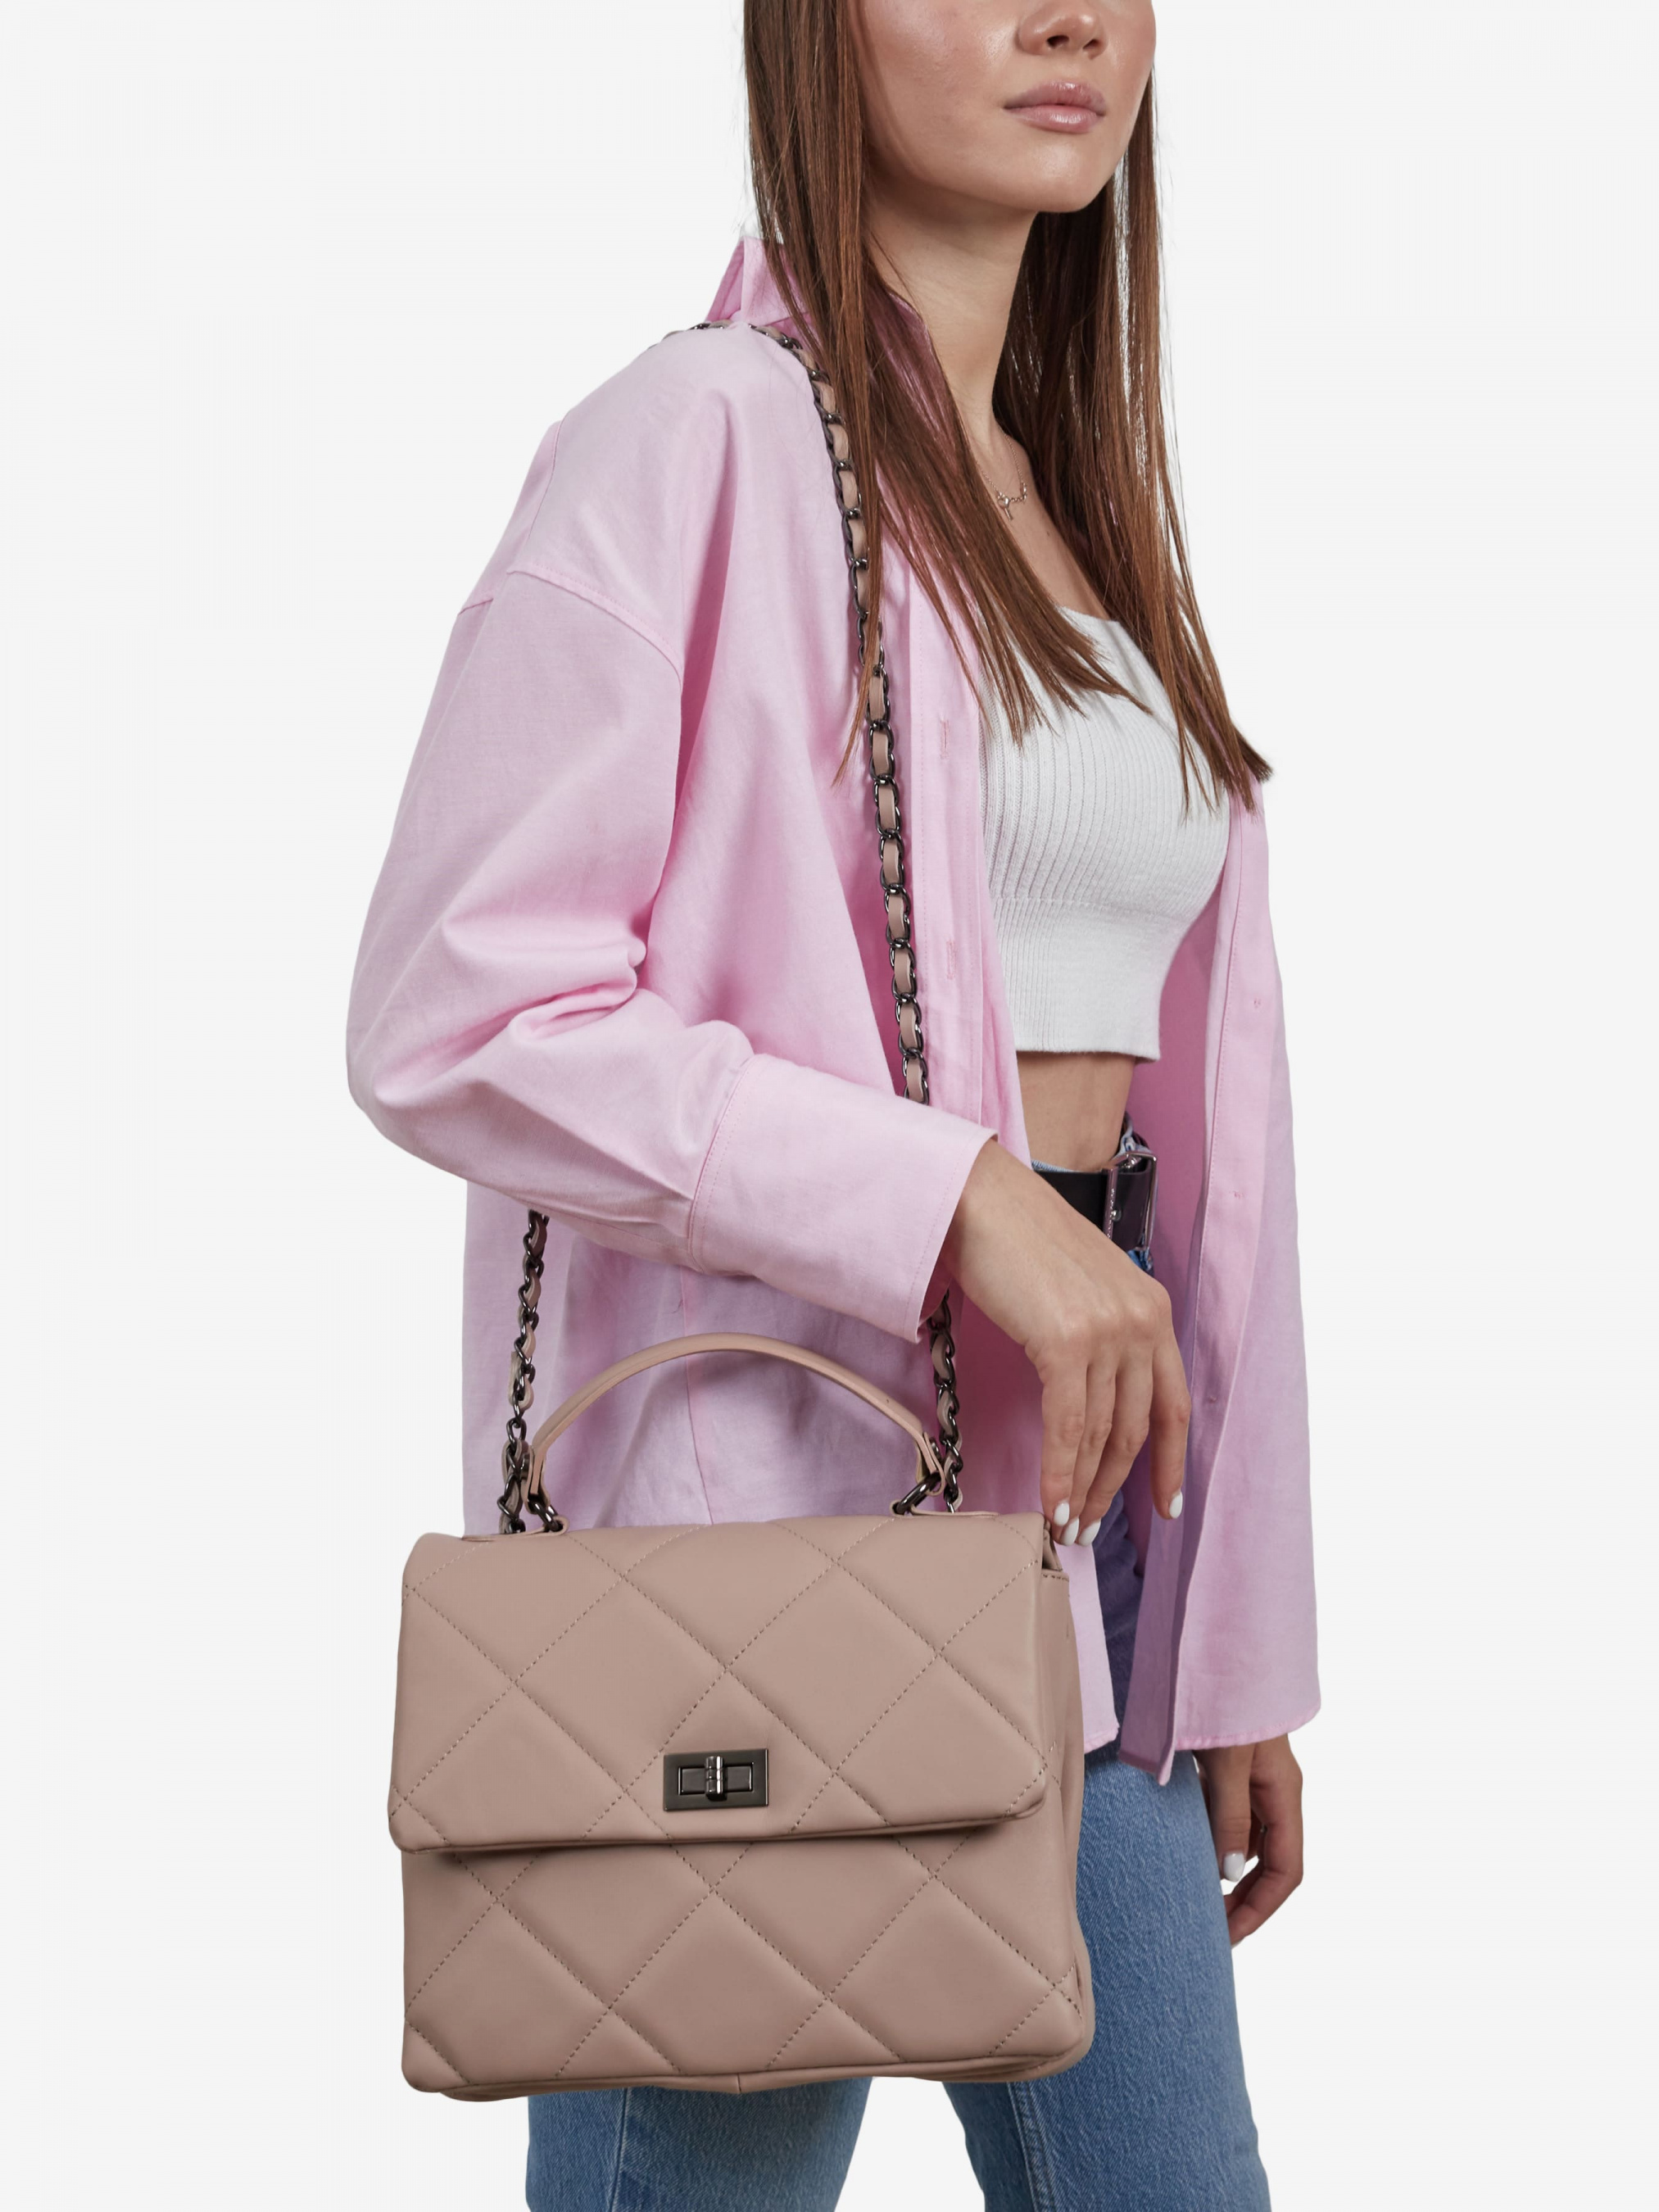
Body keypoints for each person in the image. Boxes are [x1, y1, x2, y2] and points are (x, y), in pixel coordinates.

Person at [347, 4, 1317, 2205]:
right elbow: (454, 1006)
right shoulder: (690, 439)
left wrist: (1227, 1629)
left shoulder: (1070, 504)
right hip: (756, 1573)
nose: (1069, 15)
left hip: (1084, 1556)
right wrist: (953, 1199)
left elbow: (1195, 1165)